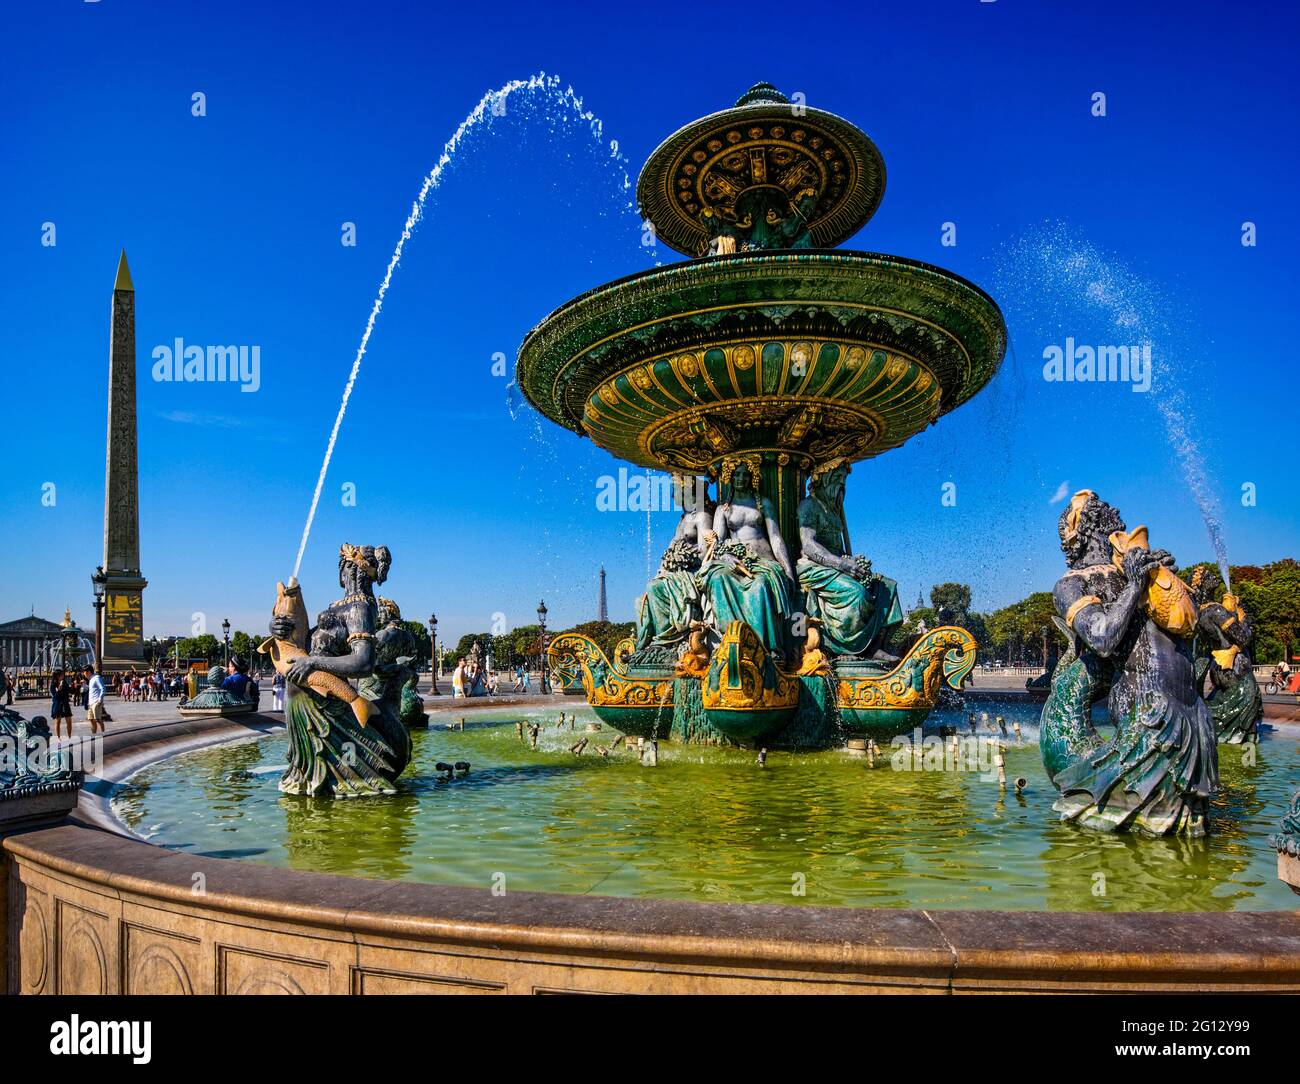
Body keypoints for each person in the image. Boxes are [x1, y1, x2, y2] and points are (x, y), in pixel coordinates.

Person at [49, 669, 73, 741]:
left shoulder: (64, 682)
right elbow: (54, 696)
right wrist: (59, 689)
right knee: (58, 720)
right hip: (57, 704)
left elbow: (69, 691)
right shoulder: (53, 685)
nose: (63, 675)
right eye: (62, 674)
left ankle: (69, 736)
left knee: (69, 720)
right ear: (57, 676)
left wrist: (73, 687)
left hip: (65, 703)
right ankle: (58, 737)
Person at [83, 665, 108, 735]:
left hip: (96, 702)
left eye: (84, 672)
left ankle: (104, 734)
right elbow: (92, 691)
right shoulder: (91, 679)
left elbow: (103, 688)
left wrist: (100, 699)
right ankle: (94, 734)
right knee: (91, 719)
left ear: (88, 672)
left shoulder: (97, 678)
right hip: (91, 703)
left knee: (98, 719)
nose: (83, 674)